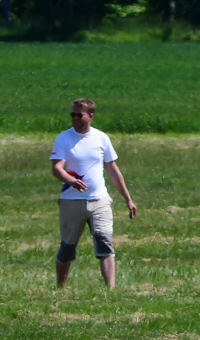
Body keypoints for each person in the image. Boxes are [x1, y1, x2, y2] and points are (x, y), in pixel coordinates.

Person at [49, 97, 137, 288]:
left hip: (99, 200)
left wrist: (128, 199)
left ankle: (111, 291)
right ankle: (60, 289)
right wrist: (71, 181)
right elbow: (57, 168)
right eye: (72, 114)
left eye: (79, 115)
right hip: (71, 202)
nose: (74, 118)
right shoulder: (64, 138)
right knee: (67, 247)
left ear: (90, 116)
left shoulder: (101, 138)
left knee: (105, 243)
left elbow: (113, 171)